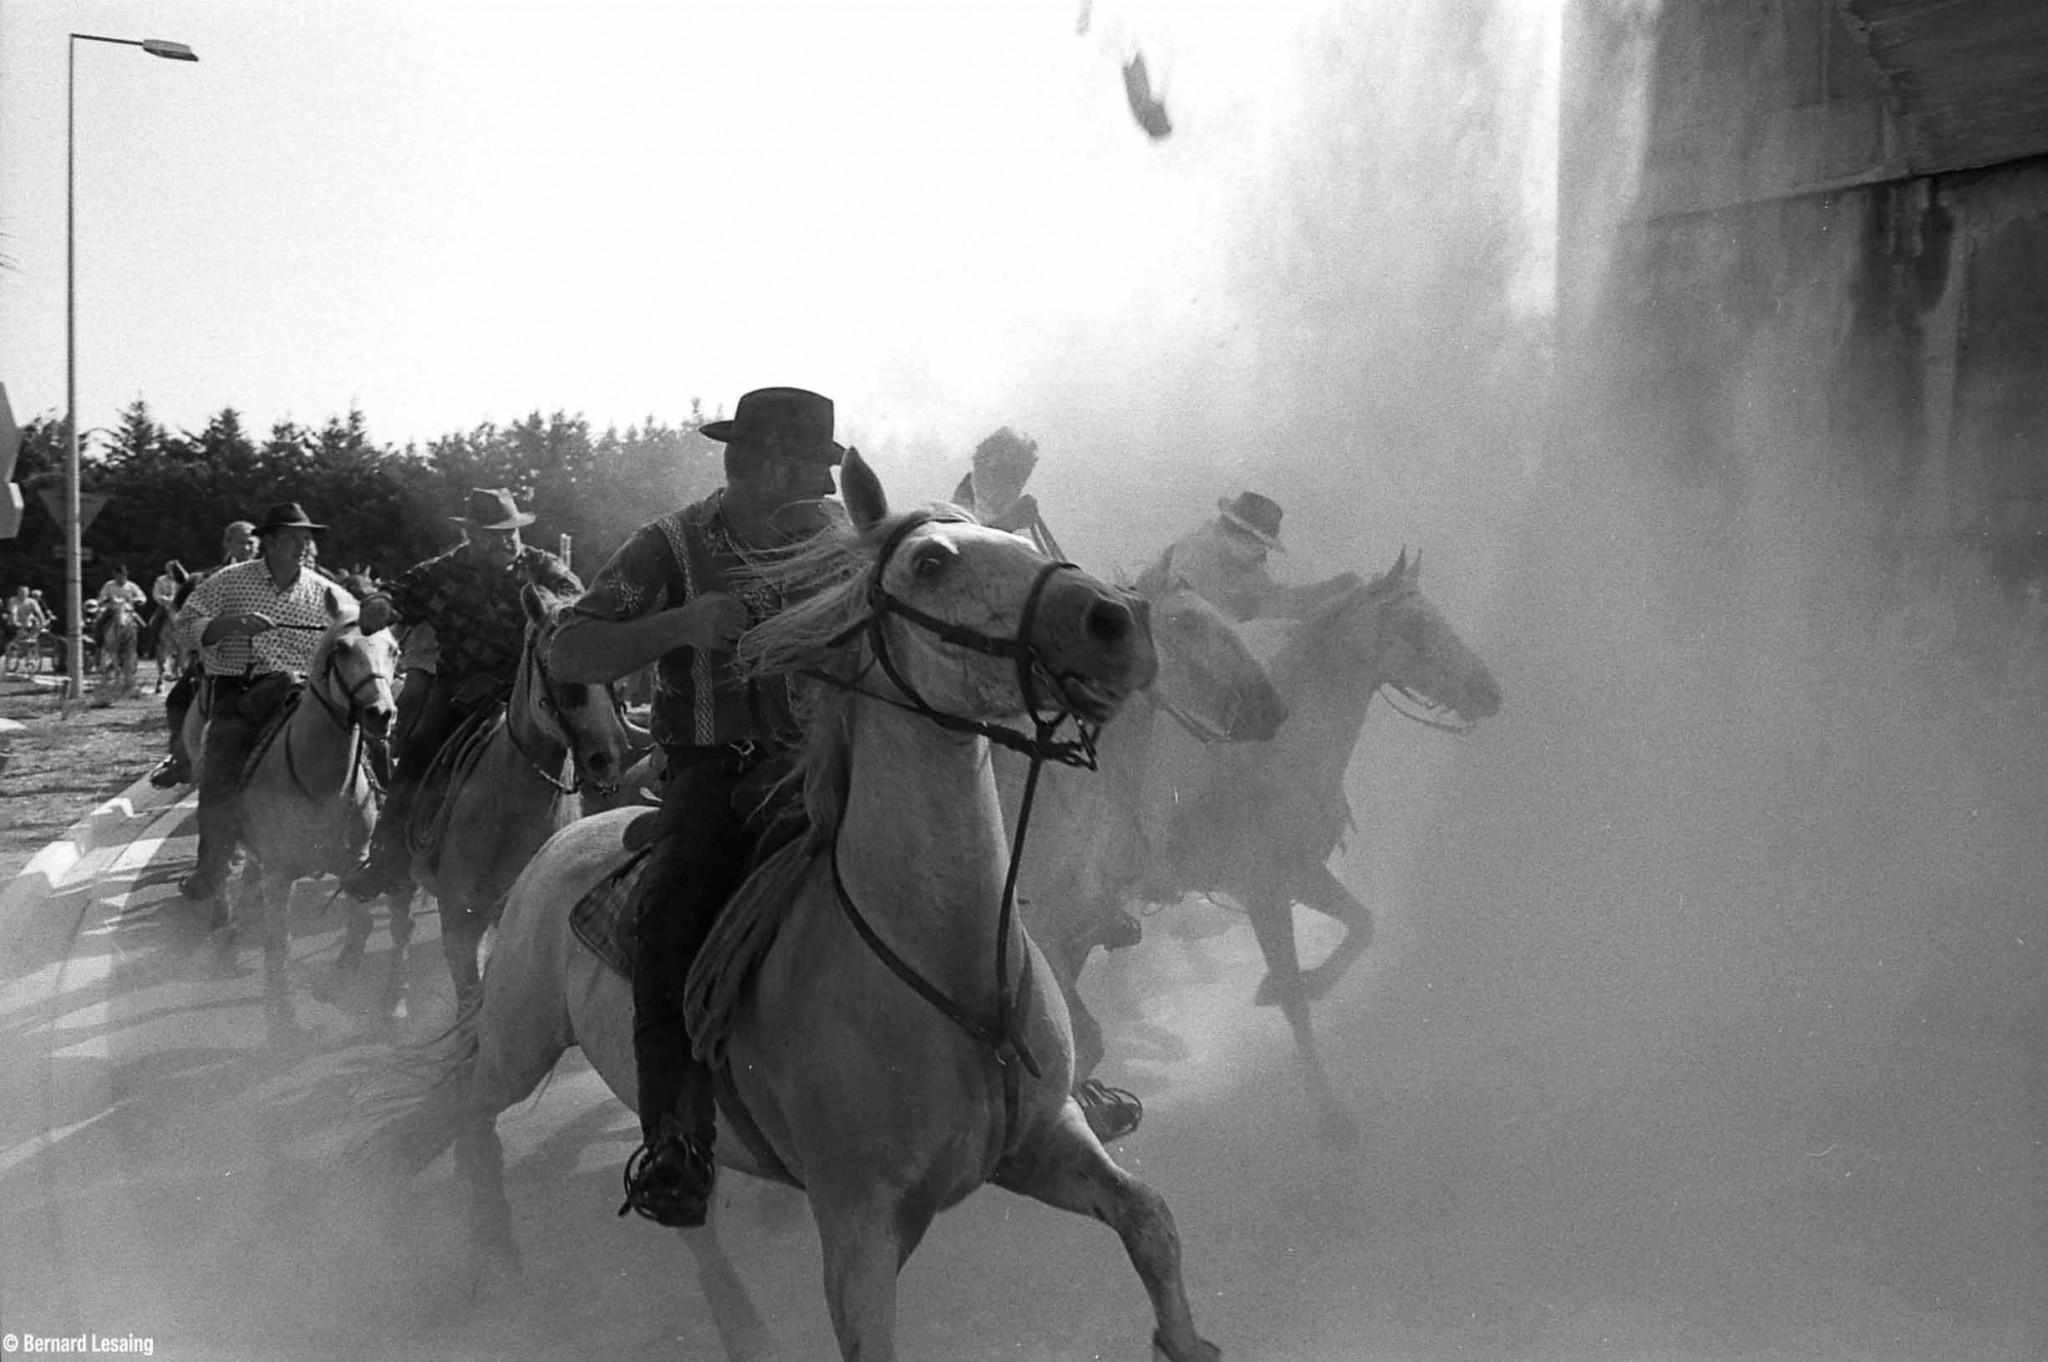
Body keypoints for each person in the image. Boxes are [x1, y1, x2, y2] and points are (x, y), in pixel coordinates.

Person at [550, 386, 842, 1229]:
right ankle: (678, 1142)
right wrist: (680, 624)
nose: (811, 490)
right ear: (745, 463)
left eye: (818, 471)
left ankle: (1032, 1066)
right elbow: (572, 646)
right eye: (795, 468)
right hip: (713, 770)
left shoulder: (844, 549)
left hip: (830, 761)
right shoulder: (668, 547)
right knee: (672, 918)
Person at [341, 488, 581, 900]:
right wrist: (378, 605)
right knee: (418, 751)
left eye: (512, 532)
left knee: (591, 734)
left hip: (531, 683)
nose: (506, 541)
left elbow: (575, 593)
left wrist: (560, 604)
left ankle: (600, 834)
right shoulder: (440, 572)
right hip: (460, 687)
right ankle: (388, 856)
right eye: (494, 533)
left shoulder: (540, 566)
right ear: (471, 535)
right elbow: (397, 594)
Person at [175, 503, 358, 902]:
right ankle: (211, 868)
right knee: (220, 764)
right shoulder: (229, 582)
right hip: (242, 692)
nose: (303, 548)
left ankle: (367, 845)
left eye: (306, 540)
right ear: (269, 542)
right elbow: (184, 628)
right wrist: (233, 625)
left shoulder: (328, 592)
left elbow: (359, 629)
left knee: (367, 744)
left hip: (309, 695)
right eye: (293, 539)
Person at [150, 522, 258, 788]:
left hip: (267, 658)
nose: (247, 548)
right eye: (241, 542)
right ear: (228, 544)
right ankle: (179, 758)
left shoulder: (272, 575)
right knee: (177, 700)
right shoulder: (209, 578)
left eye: (252, 542)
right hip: (217, 657)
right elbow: (189, 618)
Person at [1145, 491, 1358, 624]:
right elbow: (1180, 608)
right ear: (1235, 533)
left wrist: (1331, 591)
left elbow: (1272, 601)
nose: (1261, 553)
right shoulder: (1194, 550)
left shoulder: (1246, 565)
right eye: (1257, 544)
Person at [950, 425, 1064, 557]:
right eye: (1000, 470)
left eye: (1017, 478)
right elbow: (959, 559)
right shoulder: (946, 516)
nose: (1008, 486)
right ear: (979, 463)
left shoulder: (1027, 537)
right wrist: (1007, 524)